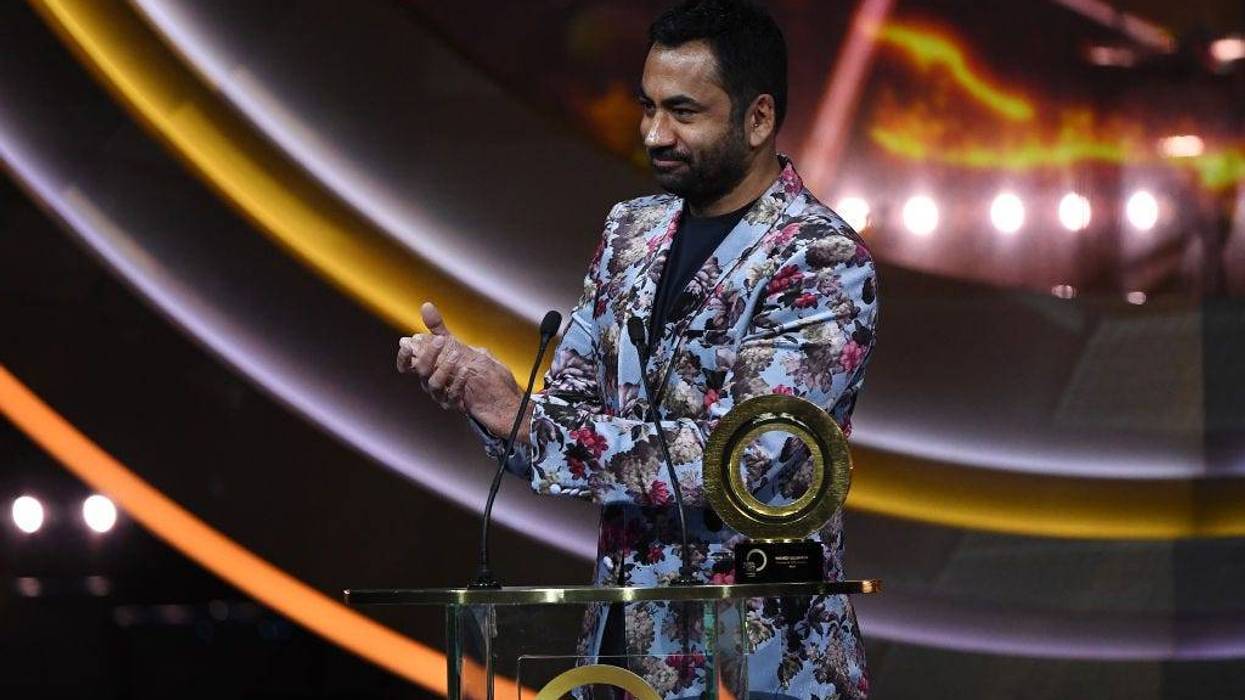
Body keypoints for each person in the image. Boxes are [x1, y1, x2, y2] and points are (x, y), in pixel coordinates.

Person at [397, 1, 877, 697]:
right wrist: (483, 393)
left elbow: (746, 461)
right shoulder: (630, 233)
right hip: (621, 660)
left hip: (758, 662)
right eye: (647, 106)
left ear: (758, 118)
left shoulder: (821, 261)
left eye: (683, 112)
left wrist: (533, 422)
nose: (654, 132)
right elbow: (563, 425)